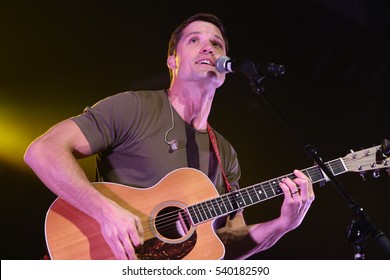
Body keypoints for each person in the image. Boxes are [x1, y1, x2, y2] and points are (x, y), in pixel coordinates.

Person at [24, 12, 315, 260]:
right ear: (172, 61)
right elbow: (42, 151)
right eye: (194, 40)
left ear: (225, 71)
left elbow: (226, 242)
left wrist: (284, 224)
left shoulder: (225, 154)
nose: (208, 48)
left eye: (216, 43)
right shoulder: (134, 108)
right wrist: (105, 212)